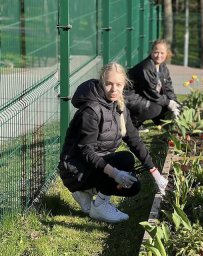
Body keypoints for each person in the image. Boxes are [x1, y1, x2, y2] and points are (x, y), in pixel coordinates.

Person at [58, 62, 168, 223]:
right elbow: (86, 151)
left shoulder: (119, 107)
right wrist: (116, 174)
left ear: (124, 85)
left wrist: (154, 172)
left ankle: (88, 192)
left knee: (134, 186)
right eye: (109, 84)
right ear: (102, 82)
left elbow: (134, 140)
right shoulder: (91, 110)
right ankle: (99, 205)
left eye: (118, 84)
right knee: (125, 160)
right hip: (76, 170)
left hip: (94, 166)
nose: (114, 89)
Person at [125, 39, 180, 131]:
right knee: (155, 108)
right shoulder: (146, 67)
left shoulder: (162, 67)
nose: (159, 56)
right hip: (129, 97)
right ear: (151, 52)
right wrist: (168, 102)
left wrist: (175, 102)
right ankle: (132, 123)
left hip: (142, 95)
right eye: (156, 52)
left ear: (167, 53)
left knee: (168, 107)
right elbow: (151, 93)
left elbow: (168, 87)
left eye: (162, 53)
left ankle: (159, 121)